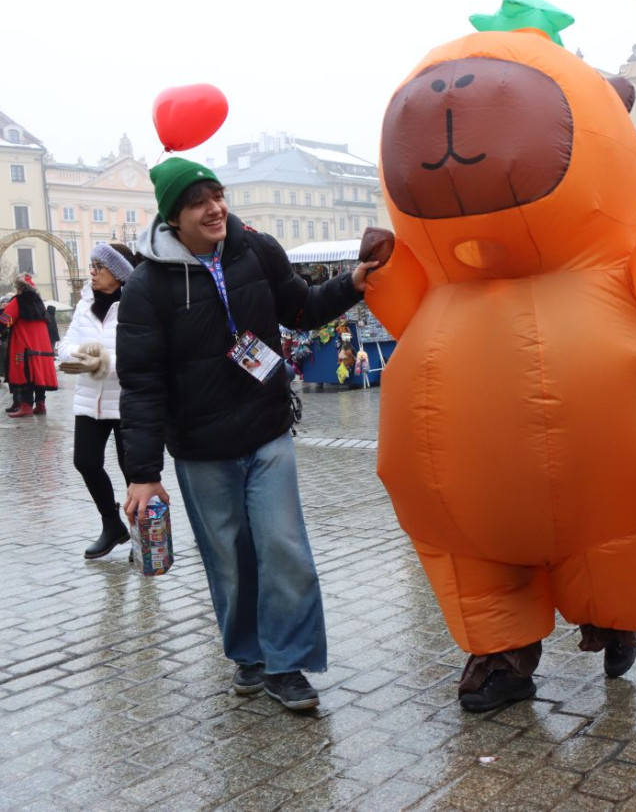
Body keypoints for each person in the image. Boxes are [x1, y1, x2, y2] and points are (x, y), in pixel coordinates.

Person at [117, 158, 387, 712]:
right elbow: (141, 384)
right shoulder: (147, 285)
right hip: (201, 447)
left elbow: (301, 308)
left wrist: (351, 284)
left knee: (284, 547)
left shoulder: (256, 249)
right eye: (198, 202)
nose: (215, 208)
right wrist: (143, 474)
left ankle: (287, 665)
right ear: (173, 217)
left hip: (268, 429)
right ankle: (249, 656)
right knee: (229, 558)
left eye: (217, 195)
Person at [59, 243, 137, 559]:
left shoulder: (135, 305)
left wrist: (100, 362)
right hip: (90, 400)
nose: (91, 273)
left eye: (98, 267)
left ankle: (143, 534)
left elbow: (137, 355)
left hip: (127, 401)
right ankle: (111, 524)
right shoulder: (84, 304)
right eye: (91, 266)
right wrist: (84, 357)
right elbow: (65, 347)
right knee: (86, 461)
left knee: (133, 469)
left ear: (117, 273)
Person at [2, 273, 59, 418]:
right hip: (42, 347)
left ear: (20, 288)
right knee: (39, 375)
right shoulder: (39, 303)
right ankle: (40, 405)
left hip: (24, 346)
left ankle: (26, 406)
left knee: (24, 374)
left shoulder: (18, 301)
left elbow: (5, 320)